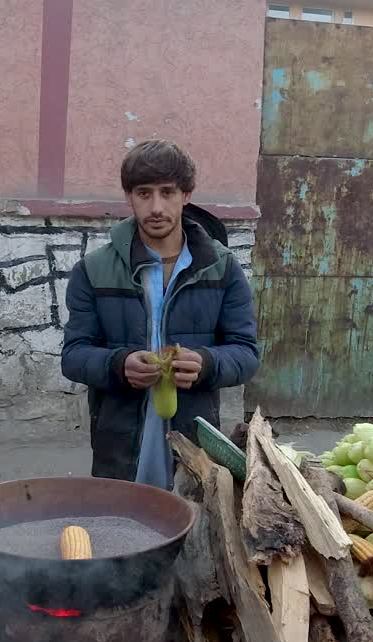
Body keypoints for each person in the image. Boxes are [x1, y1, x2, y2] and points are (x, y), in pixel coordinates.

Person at [61, 140, 259, 487]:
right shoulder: (92, 270)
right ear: (129, 197)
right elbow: (74, 356)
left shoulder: (221, 268)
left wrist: (207, 363)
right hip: (118, 447)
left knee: (191, 534)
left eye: (167, 192)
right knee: (122, 533)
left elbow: (246, 353)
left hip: (194, 448)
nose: (156, 207)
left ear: (186, 195)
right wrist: (118, 365)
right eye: (144, 193)